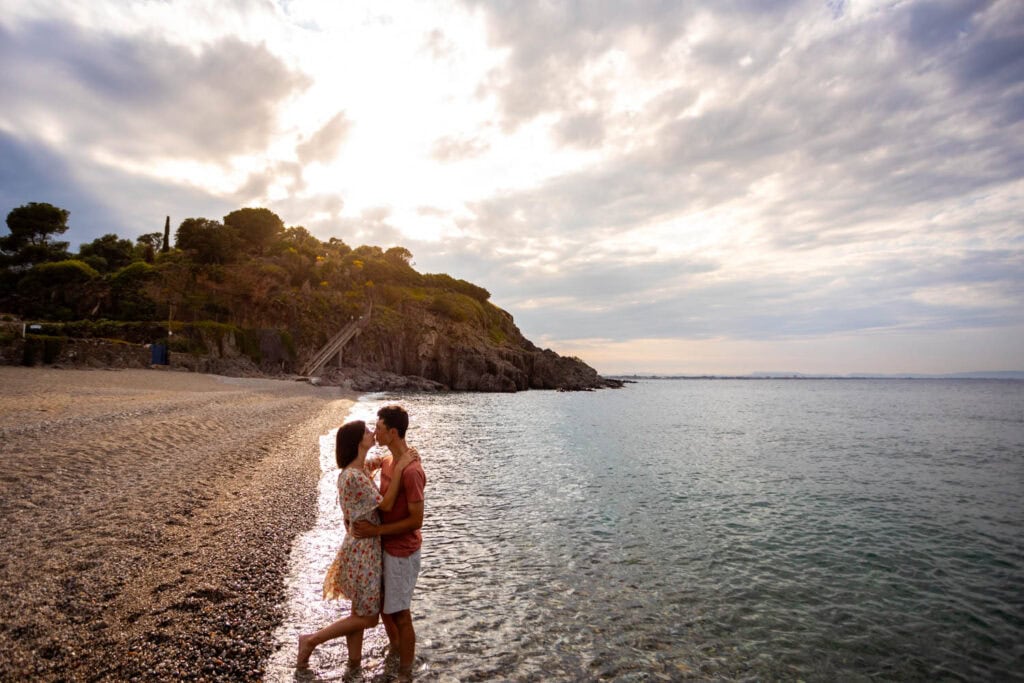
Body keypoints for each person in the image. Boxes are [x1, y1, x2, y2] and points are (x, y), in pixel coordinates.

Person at [296, 419, 414, 670]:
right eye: (367, 432)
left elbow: (380, 461)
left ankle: (354, 664)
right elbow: (387, 504)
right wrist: (402, 466)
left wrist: (398, 457)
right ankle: (311, 641)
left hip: (361, 547)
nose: (373, 433)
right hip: (364, 551)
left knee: (358, 614)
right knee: (369, 618)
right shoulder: (353, 476)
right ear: (357, 441)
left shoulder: (358, 469)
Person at [353, 405, 426, 682]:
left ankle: (405, 674)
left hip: (402, 553)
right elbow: (357, 469)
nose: (375, 431)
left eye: (379, 427)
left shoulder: (412, 472)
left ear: (392, 432)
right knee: (386, 608)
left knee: (401, 613)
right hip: (385, 547)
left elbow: (416, 520)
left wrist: (376, 530)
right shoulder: (387, 461)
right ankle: (395, 653)